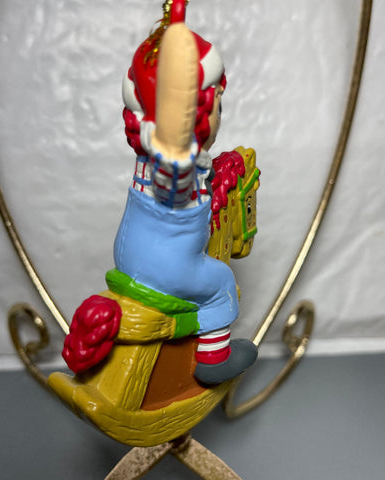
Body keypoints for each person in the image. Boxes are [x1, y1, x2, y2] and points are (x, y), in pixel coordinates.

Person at [114, 1, 257, 384]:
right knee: (221, 283)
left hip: (127, 251)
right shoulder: (176, 166)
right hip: (167, 267)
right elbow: (173, 181)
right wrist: (176, 153)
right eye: (218, 107)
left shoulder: (144, 156)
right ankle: (213, 359)